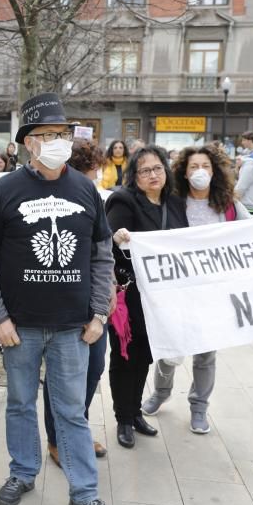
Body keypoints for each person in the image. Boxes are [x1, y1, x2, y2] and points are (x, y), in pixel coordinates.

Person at [0, 92, 121, 505]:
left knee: (72, 410)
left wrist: (100, 312)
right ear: (28, 143)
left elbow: (102, 257)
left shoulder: (84, 189)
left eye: (60, 133)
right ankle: (22, 472)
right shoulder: (6, 189)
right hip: (20, 326)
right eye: (45, 135)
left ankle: (85, 494)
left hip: (74, 328)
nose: (55, 141)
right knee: (19, 403)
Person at [141, 145, 250, 435]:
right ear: (184, 172)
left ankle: (199, 407)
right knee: (169, 347)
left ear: (214, 172)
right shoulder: (174, 202)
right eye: (193, 167)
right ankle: (160, 393)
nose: (199, 171)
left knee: (205, 353)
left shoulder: (227, 205)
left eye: (205, 166)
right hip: (177, 290)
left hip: (212, 292)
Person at [107, 145, 189, 449]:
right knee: (125, 354)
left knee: (144, 356)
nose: (153, 175)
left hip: (161, 297)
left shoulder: (176, 203)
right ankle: (123, 419)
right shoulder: (123, 200)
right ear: (134, 175)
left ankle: (135, 411)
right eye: (145, 170)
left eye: (157, 168)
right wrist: (119, 238)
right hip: (129, 295)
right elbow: (110, 238)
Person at [42, 140, 113, 464]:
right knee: (59, 375)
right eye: (90, 172)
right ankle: (57, 439)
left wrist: (102, 297)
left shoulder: (92, 198)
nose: (93, 178)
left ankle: (76, 428)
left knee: (94, 367)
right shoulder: (55, 200)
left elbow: (102, 252)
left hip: (93, 304)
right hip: (63, 305)